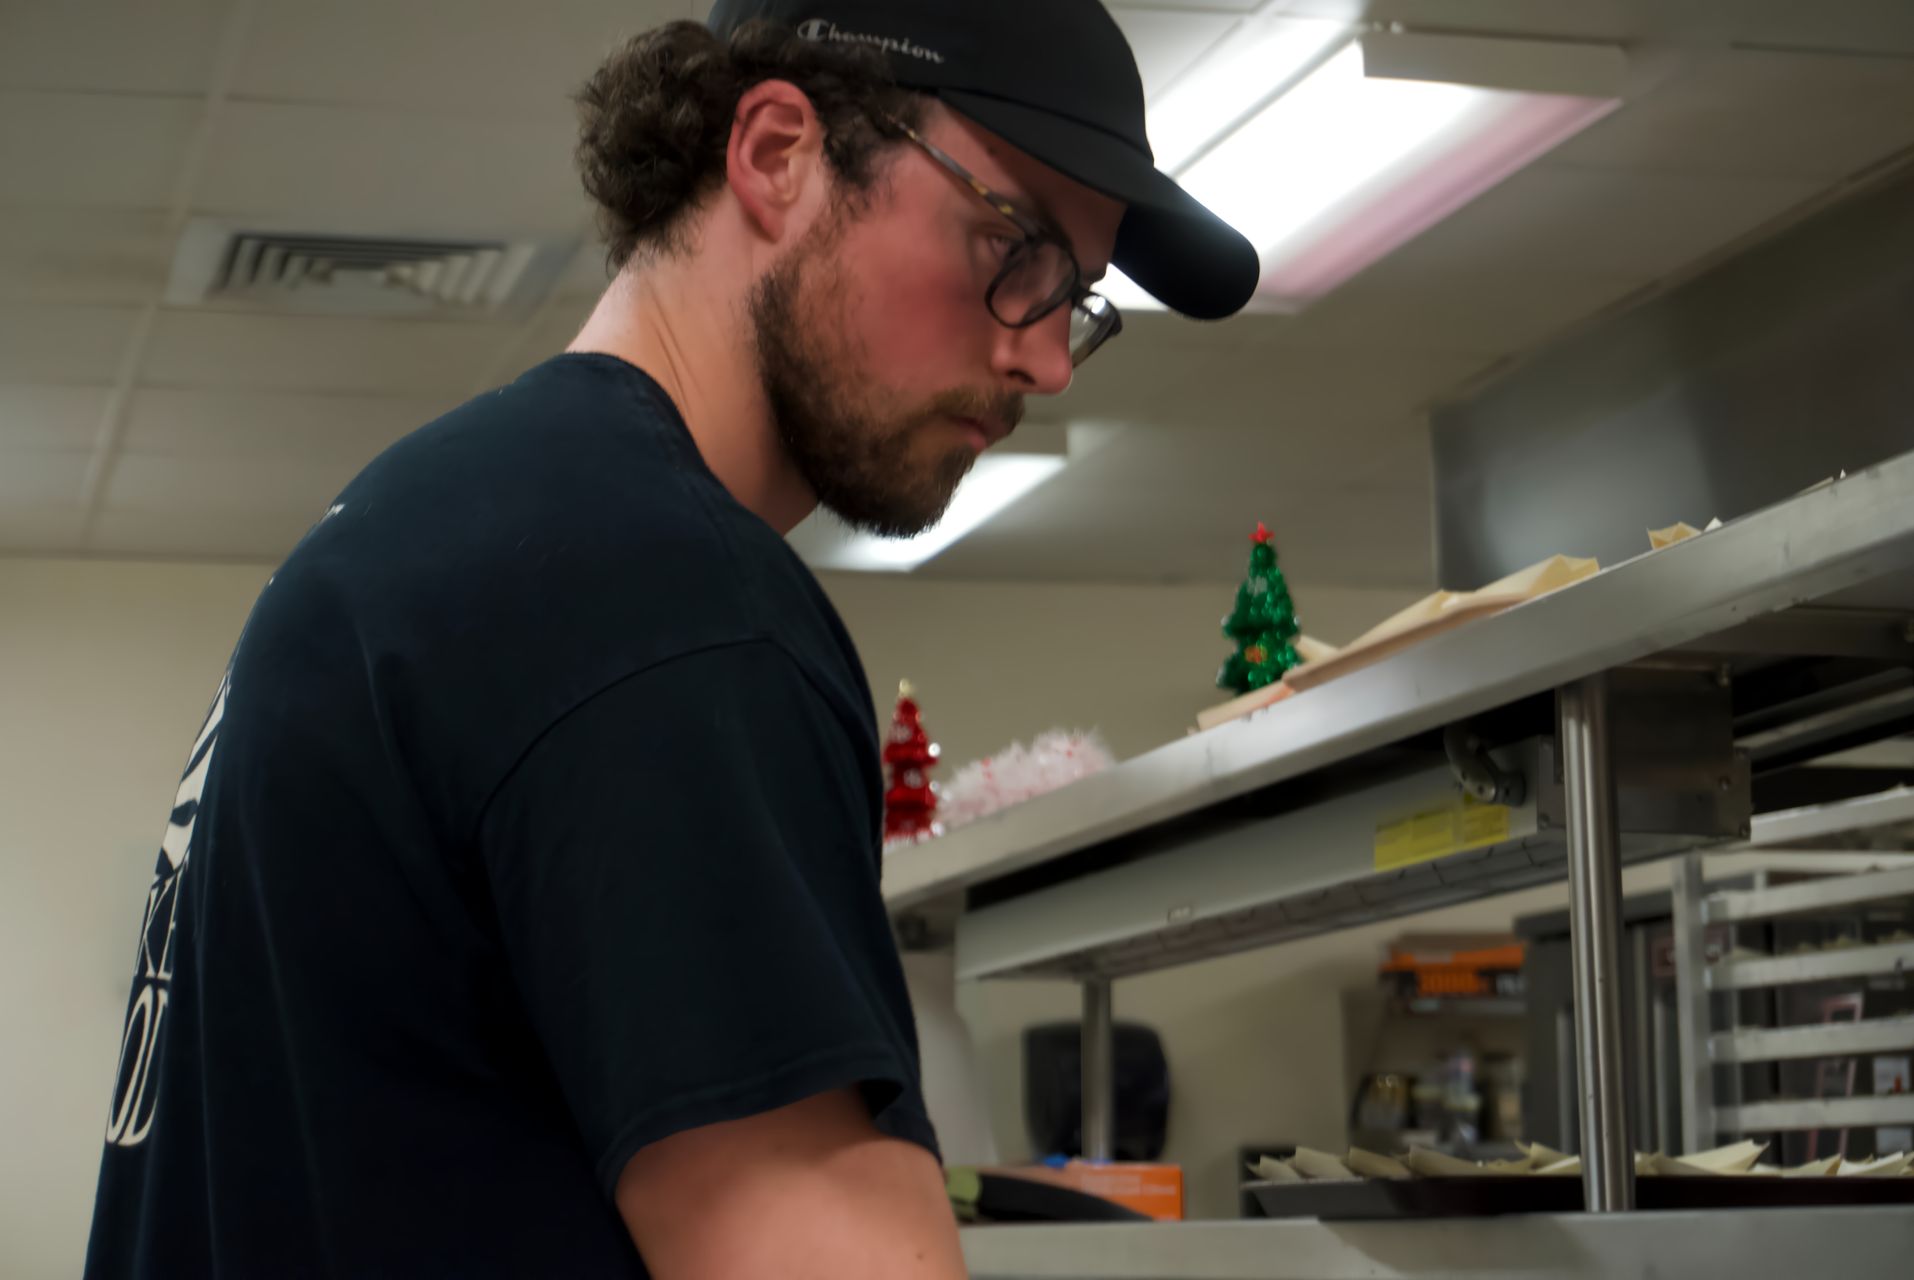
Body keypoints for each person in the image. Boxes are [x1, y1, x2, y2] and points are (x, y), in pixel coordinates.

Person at [82, 1, 1255, 1275]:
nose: (1047, 359)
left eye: (1073, 295)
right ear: (775, 155)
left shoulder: (429, 530)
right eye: (1012, 243)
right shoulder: (658, 596)